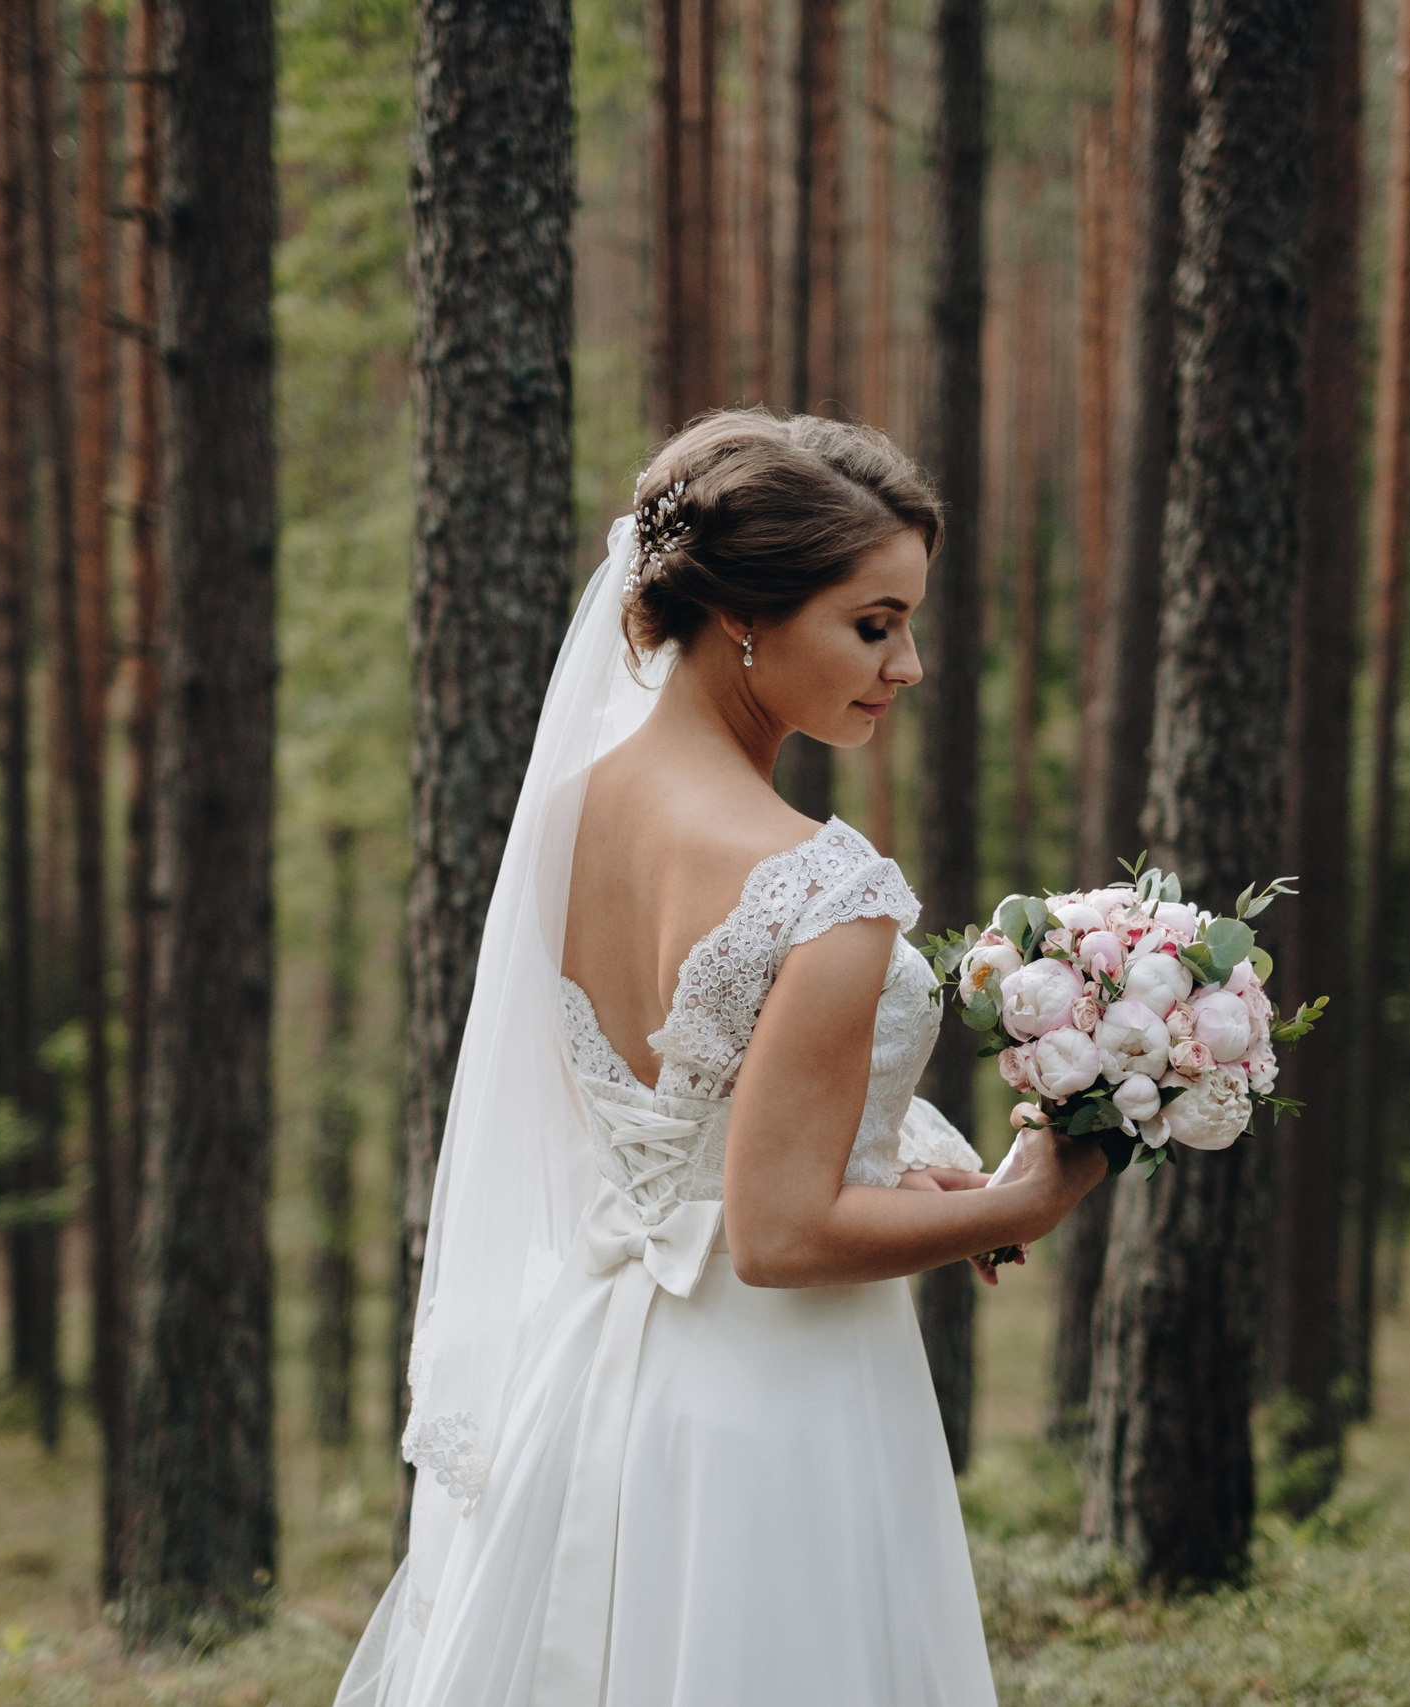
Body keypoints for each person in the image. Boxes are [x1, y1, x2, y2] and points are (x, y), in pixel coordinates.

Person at [337, 410, 1116, 1707]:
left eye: (908, 624)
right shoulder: (824, 889)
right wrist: (1025, 1198)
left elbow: (685, 1121)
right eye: (874, 624)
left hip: (592, 1377)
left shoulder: (572, 811)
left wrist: (904, 1170)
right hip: (774, 1403)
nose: (908, 664)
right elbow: (776, 1235)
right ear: (747, 613)